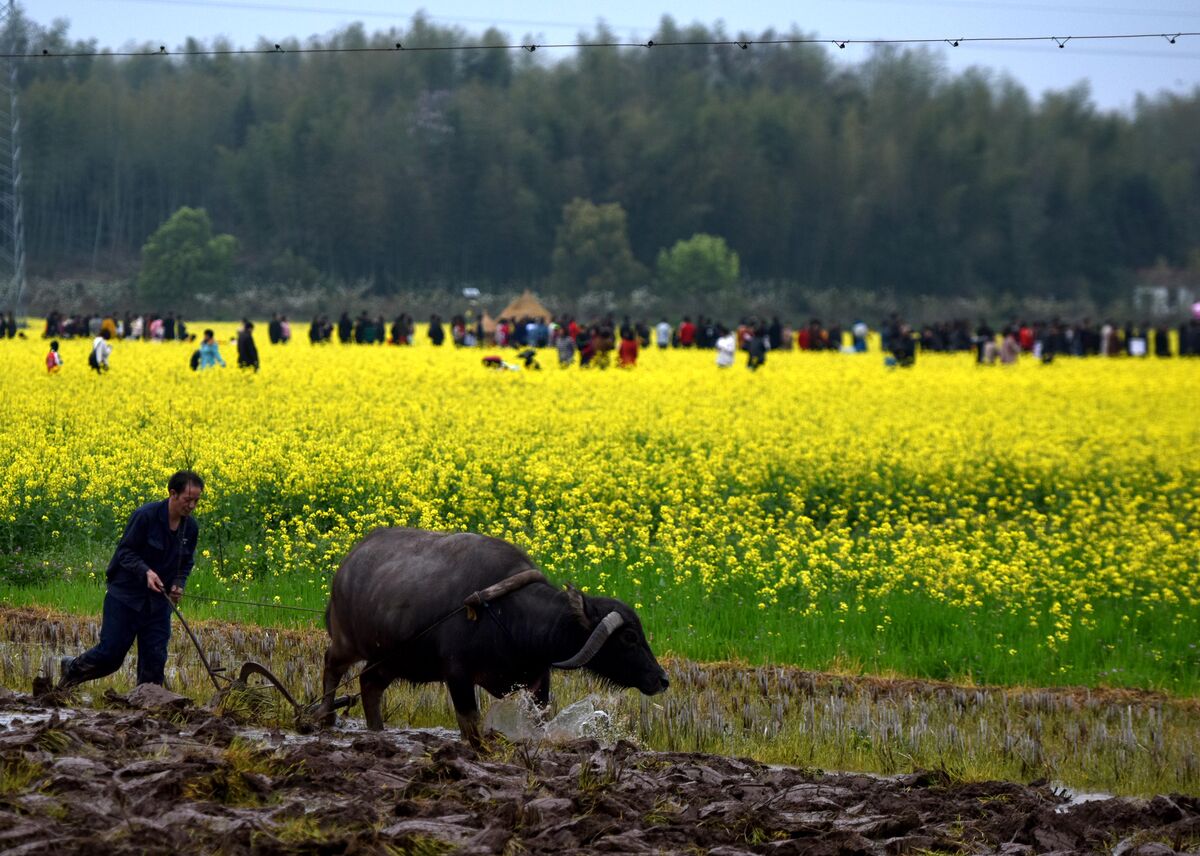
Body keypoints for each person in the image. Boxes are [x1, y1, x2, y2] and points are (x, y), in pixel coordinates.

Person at [59, 470, 204, 689]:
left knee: (154, 664)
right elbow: (125, 552)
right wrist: (146, 571)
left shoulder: (190, 528)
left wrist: (178, 584)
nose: (192, 506)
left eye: (196, 501)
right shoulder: (145, 516)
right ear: (173, 494)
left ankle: (146, 710)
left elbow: (186, 564)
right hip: (126, 597)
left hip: (158, 603)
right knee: (110, 657)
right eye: (188, 499)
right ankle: (72, 669)